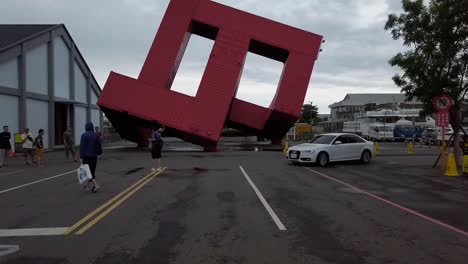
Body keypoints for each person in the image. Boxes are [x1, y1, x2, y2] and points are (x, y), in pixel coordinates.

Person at [80, 122, 102, 192]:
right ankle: (87, 185)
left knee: (88, 172)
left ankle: (95, 185)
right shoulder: (96, 135)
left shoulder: (83, 135)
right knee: (91, 170)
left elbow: (82, 147)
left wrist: (81, 156)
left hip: (86, 156)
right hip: (93, 156)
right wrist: (99, 152)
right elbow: (98, 144)